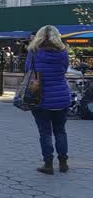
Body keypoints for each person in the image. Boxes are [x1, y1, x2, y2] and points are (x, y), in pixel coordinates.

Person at [26, 25, 71, 175]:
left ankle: (48, 164)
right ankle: (63, 163)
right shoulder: (63, 52)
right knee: (61, 131)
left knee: (45, 133)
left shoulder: (34, 52)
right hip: (62, 97)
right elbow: (64, 70)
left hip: (41, 98)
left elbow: (28, 70)